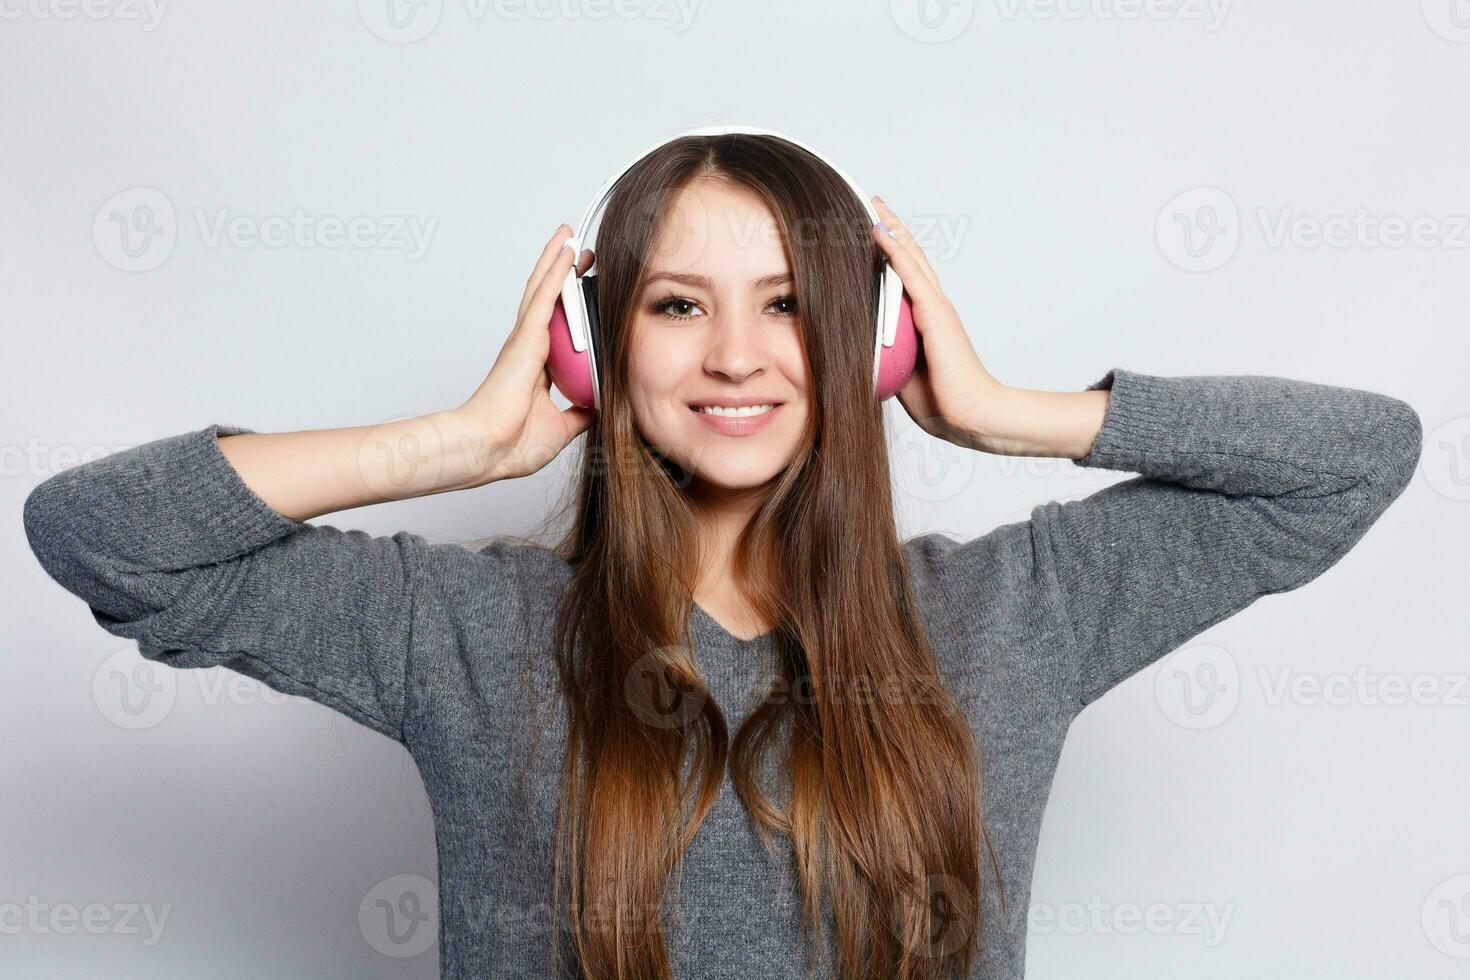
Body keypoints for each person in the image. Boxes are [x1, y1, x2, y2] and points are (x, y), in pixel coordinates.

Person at [23, 133, 1422, 980]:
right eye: (679, 305)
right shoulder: (468, 632)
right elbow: (101, 536)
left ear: (869, 345)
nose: (739, 356)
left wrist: (1010, 414)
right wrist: (453, 444)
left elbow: (1358, 456)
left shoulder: (1010, 616)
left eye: (785, 305)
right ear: (595, 343)